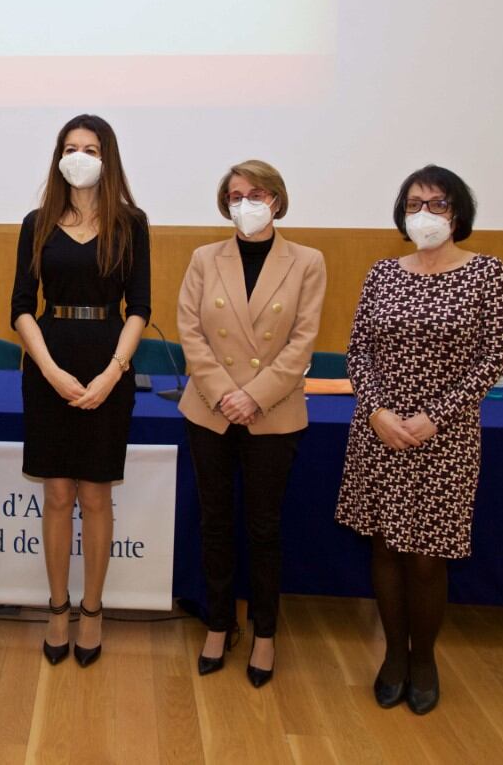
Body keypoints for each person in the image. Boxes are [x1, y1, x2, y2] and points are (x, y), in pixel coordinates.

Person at [336, 165, 503, 715]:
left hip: (446, 437)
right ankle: (392, 655)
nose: (425, 215)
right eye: (415, 204)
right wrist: (378, 411)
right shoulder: (383, 274)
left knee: (427, 559)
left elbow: (493, 356)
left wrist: (435, 416)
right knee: (387, 549)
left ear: (458, 213)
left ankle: (424, 659)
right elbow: (357, 350)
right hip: (382, 432)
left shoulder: (486, 273)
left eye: (437, 204)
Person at [176, 161, 327, 687]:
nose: (246, 202)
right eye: (235, 194)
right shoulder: (204, 258)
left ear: (277, 200)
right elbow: (190, 332)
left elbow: (302, 343)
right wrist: (225, 395)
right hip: (210, 411)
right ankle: (219, 624)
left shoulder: (307, 261)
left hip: (274, 413)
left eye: (256, 193)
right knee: (214, 523)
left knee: (264, 529)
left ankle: (265, 633)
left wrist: (253, 397)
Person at [11, 114, 151, 667]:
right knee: (56, 495)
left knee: (95, 496)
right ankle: (57, 607)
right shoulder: (37, 220)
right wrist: (47, 368)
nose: (79, 156)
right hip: (49, 361)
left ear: (107, 156)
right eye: (70, 147)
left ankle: (92, 610)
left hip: (107, 363)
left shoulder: (131, 223)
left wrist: (114, 372)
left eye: (90, 148)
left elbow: (139, 307)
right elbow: (21, 306)